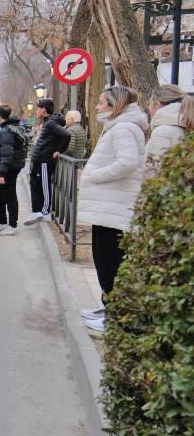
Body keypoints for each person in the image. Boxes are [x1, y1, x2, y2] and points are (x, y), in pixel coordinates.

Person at [76, 86, 149, 333]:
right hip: (110, 207)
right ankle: (109, 307)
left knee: (110, 263)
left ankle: (115, 315)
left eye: (101, 103)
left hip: (113, 208)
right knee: (106, 260)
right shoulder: (121, 127)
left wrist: (95, 175)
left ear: (114, 106)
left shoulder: (124, 128)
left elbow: (127, 163)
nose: (96, 108)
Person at [23, 98, 70, 226]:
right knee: (35, 184)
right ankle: (37, 211)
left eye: (38, 108)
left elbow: (66, 135)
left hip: (45, 160)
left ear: (43, 110)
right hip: (39, 159)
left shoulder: (51, 123)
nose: (36, 111)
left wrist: (59, 151)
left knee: (44, 185)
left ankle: (45, 212)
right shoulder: (48, 122)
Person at [0, 105, 29, 236]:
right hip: (7, 166)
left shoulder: (6, 131)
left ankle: (12, 225)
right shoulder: (8, 129)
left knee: (9, 196)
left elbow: (7, 153)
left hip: (8, 168)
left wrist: (1, 173)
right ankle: (2, 223)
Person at [144, 84, 194, 176]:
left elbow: (153, 169)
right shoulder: (188, 125)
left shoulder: (162, 131)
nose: (149, 108)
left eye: (149, 103)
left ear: (157, 103)